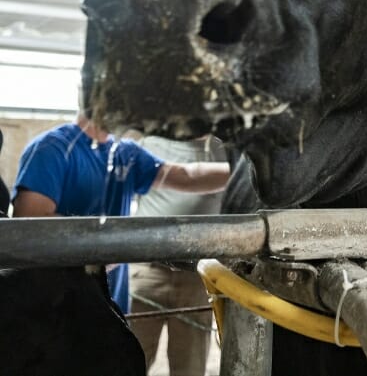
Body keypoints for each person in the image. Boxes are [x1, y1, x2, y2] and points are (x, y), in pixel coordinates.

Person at [11, 114, 230, 315]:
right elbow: (31, 221)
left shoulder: (126, 153)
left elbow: (187, 176)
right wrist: (110, 245)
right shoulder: (52, 149)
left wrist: (244, 171)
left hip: (108, 305)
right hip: (54, 308)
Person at [129, 135, 227, 376]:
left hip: (197, 277)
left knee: (190, 367)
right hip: (146, 272)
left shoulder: (226, 151)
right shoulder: (145, 145)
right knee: (129, 359)